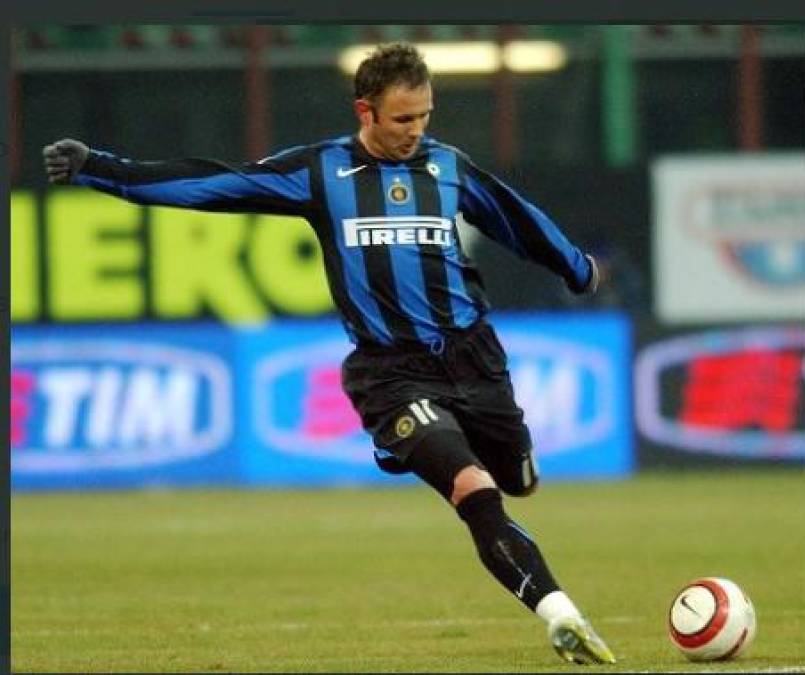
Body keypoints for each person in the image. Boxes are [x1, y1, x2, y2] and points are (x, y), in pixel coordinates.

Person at [43, 42, 615, 665]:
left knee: (515, 479)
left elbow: (517, 220)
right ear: (365, 111)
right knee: (472, 488)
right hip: (390, 373)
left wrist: (579, 269)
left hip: (474, 359)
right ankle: (561, 615)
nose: (416, 130)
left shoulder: (447, 167)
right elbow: (211, 183)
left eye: (425, 115)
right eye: (403, 119)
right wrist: (99, 168)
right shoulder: (321, 172)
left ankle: (479, 453)